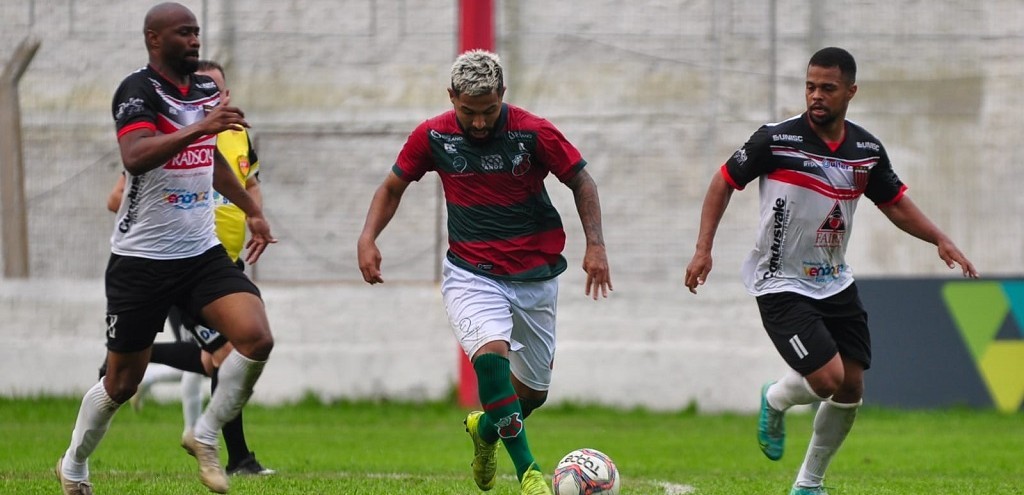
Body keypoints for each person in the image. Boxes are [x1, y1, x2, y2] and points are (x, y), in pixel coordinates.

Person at [683, 47, 978, 495]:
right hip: (780, 281)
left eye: (827, 88)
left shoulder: (866, 150)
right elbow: (723, 181)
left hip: (834, 280)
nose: (816, 96)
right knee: (826, 379)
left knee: (851, 387)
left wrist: (939, 238)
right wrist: (703, 249)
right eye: (810, 87)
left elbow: (894, 203)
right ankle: (775, 399)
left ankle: (808, 484)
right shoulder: (775, 140)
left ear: (850, 91)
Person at [358, 49, 612, 495]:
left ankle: (485, 430)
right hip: (470, 273)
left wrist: (595, 245)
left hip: (535, 276)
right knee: (491, 355)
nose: (478, 123)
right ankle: (530, 474)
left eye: (489, 111)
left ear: (503, 95)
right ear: (451, 97)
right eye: (469, 112)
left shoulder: (534, 132)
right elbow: (392, 186)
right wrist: (368, 237)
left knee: (531, 395)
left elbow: (581, 180)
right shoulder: (432, 135)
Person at [56, 3, 276, 495]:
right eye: (183, 33)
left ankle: (204, 434)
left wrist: (252, 210)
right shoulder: (137, 91)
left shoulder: (203, 91)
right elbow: (135, 156)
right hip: (141, 260)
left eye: (196, 32)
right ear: (154, 39)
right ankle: (73, 463)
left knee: (256, 338)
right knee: (121, 383)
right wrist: (200, 127)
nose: (194, 40)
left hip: (200, 253)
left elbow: (210, 161)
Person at [100, 59, 275, 477]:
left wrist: (254, 214)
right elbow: (118, 196)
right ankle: (235, 455)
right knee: (222, 355)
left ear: (224, 96)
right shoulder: (166, 135)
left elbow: (249, 183)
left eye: (213, 90)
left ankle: (228, 450)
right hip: (175, 263)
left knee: (232, 353)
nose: (202, 97)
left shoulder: (238, 137)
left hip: (220, 262)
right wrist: (172, 204)